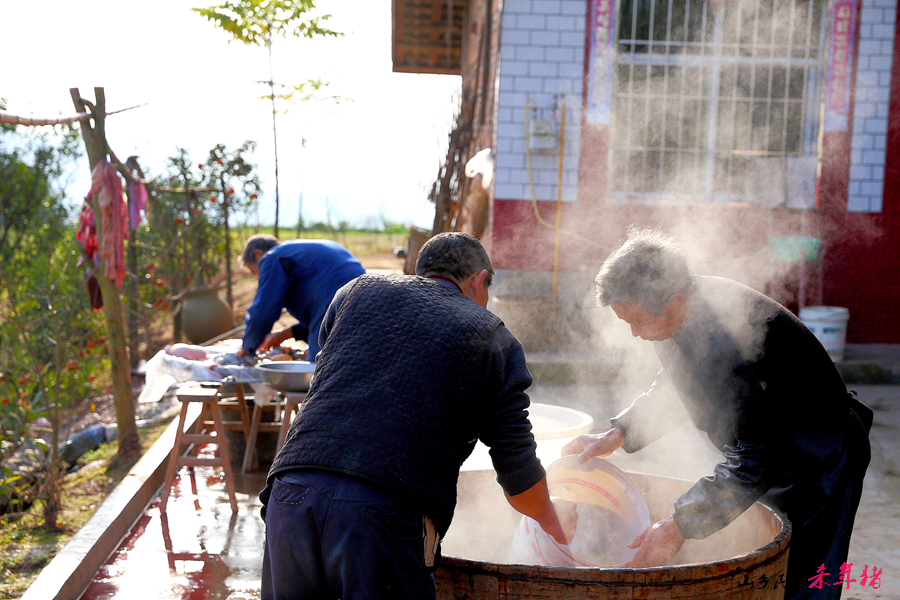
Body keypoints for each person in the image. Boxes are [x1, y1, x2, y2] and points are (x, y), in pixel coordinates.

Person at [259, 232, 577, 600]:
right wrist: (553, 521)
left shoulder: (353, 293)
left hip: (290, 494)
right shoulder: (493, 337)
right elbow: (518, 472)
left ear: (420, 271)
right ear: (478, 281)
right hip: (380, 515)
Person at [563, 227, 871, 600]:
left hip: (819, 454)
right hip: (771, 446)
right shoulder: (682, 310)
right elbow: (675, 384)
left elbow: (753, 461)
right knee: (767, 564)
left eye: (637, 321)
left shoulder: (727, 343)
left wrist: (679, 525)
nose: (634, 334)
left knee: (804, 578)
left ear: (675, 301)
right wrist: (618, 433)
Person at [223, 235, 365, 363]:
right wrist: (283, 335)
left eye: (255, 272)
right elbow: (318, 312)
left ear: (258, 254)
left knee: (320, 369)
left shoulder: (272, 258)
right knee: (352, 361)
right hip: (365, 296)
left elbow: (263, 310)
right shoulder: (297, 254)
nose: (260, 278)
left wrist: (246, 348)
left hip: (334, 301)